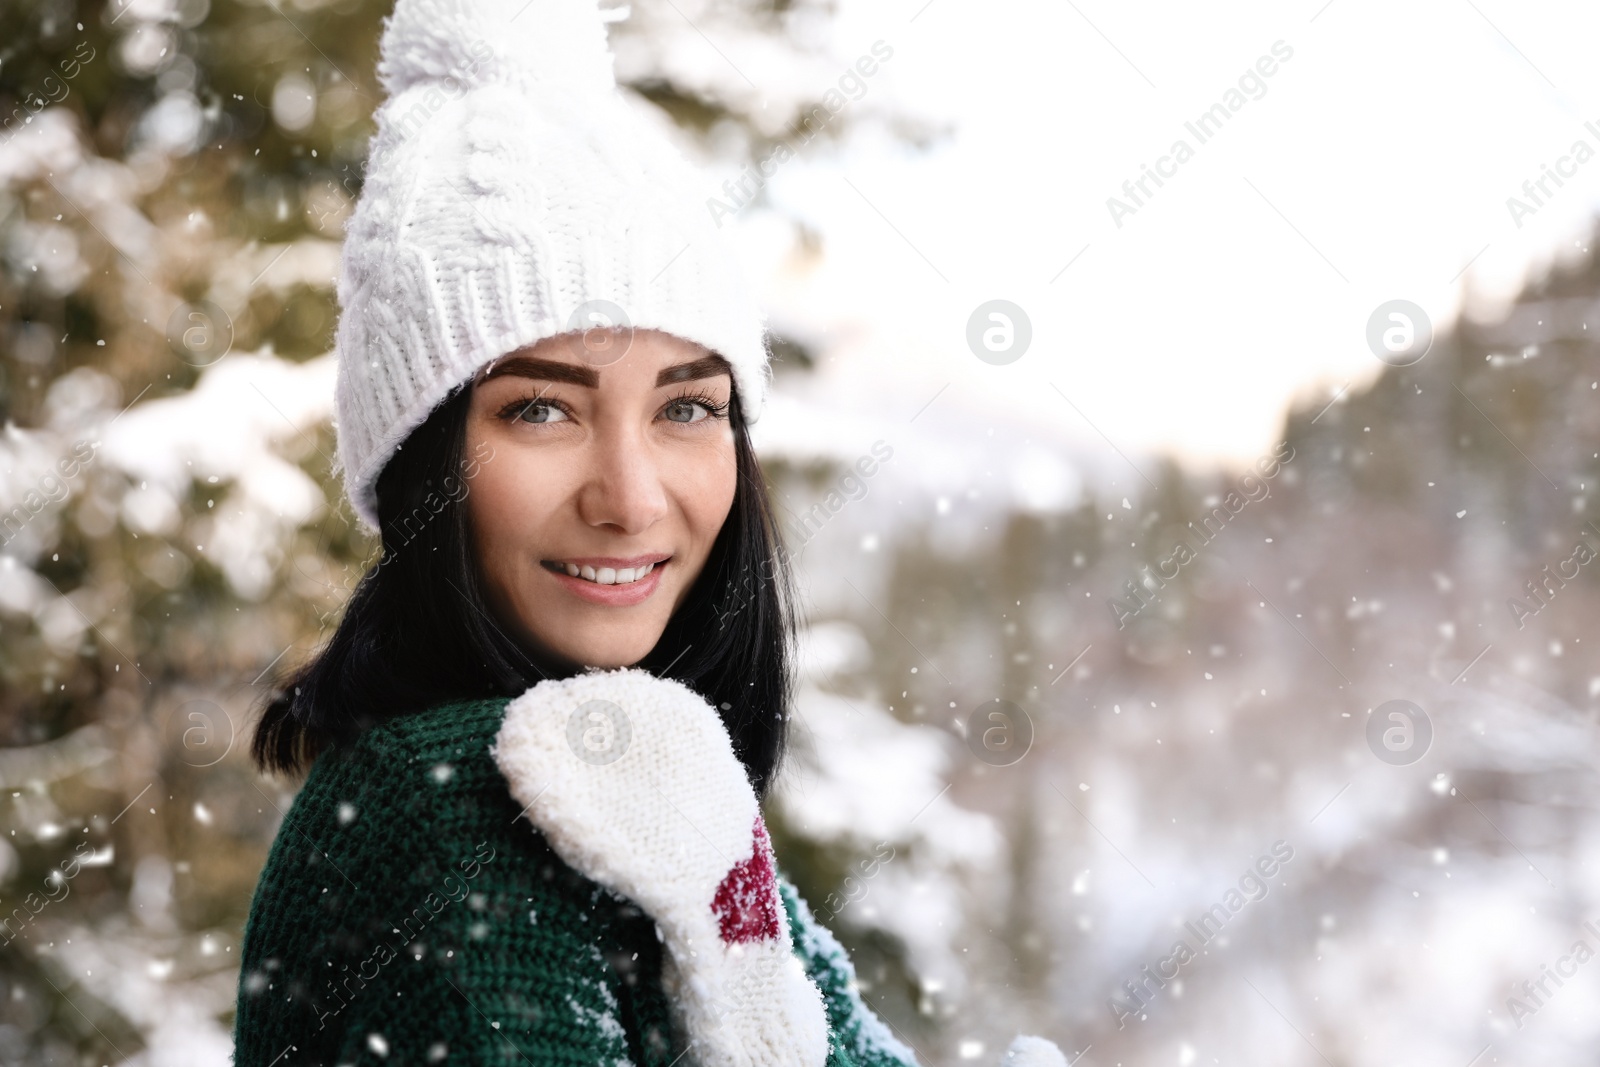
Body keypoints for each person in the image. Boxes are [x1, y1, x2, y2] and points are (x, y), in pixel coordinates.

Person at [232, 0, 1066, 1063]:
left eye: (685, 407)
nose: (629, 496)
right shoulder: (459, 805)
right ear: (420, 461)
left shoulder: (649, 786)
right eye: (540, 408)